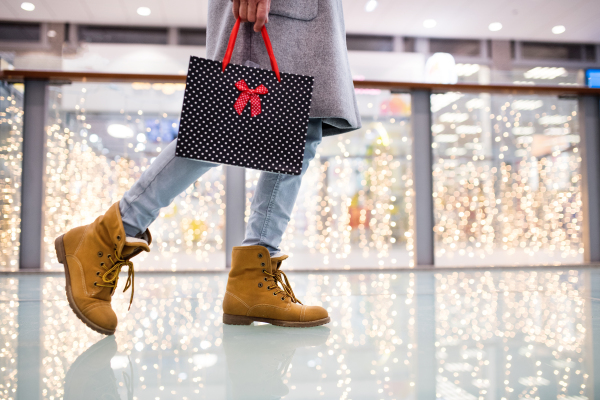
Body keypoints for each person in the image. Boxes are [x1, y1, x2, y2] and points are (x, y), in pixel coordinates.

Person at [54, 0, 361, 335]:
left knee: (300, 128)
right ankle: (105, 236)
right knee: (219, 127)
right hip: (277, 11)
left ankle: (253, 277)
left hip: (312, 14)